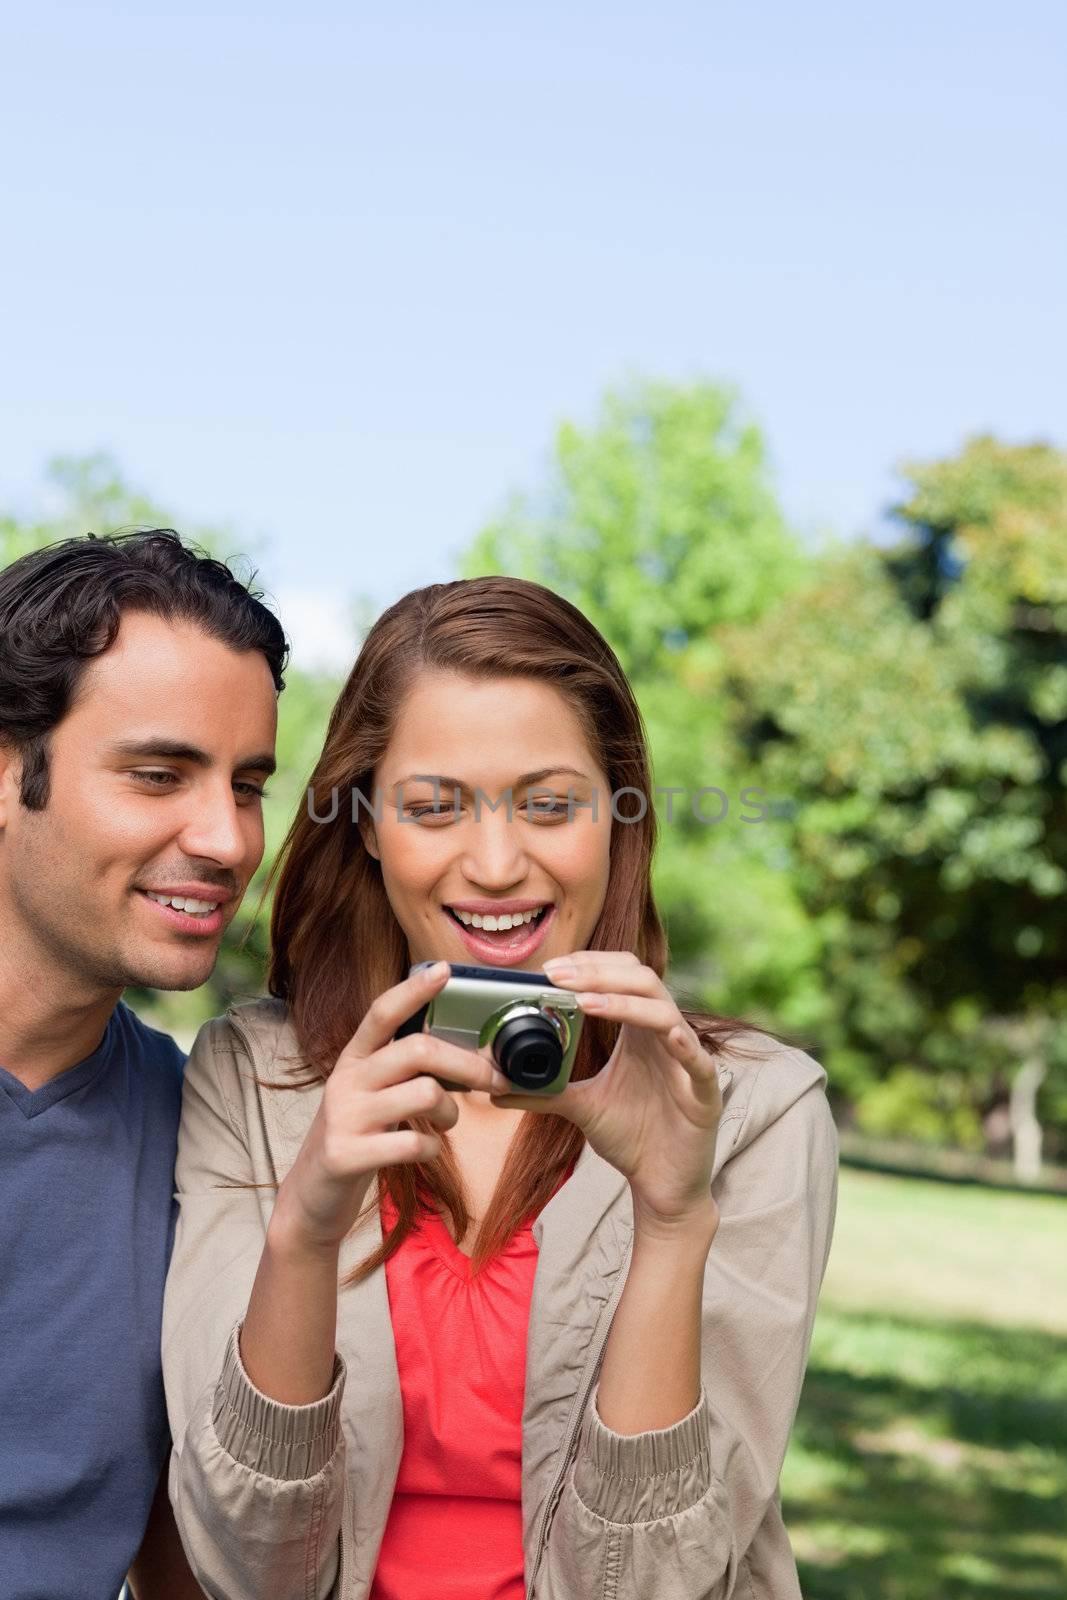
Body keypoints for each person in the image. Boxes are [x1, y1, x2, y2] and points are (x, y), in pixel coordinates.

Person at [162, 575, 838, 1600]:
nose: (493, 862)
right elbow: (246, 1568)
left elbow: (650, 1587)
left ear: (617, 817)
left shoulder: (750, 1109)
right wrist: (304, 1222)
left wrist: (669, 1219)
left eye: (549, 804)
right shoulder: (251, 1079)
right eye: (433, 807)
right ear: (367, 826)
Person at [0, 529, 286, 1600]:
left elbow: (186, 1558)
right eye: (159, 774)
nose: (224, 839)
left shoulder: (204, 1134)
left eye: (247, 784)